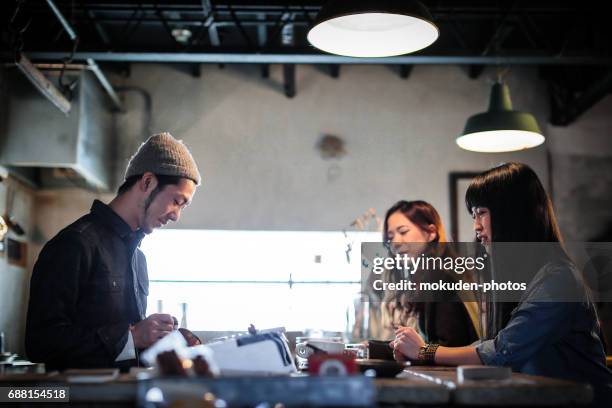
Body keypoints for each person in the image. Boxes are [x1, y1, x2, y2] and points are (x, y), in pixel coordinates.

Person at [391, 163, 612, 407]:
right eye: (473, 216)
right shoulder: (519, 277)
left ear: (513, 213)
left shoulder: (559, 279)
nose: (476, 227)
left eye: (481, 213)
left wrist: (424, 351)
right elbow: (491, 345)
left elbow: (502, 351)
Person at [26, 132, 201, 371]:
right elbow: (40, 342)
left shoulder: (139, 259)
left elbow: (125, 345)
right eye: (176, 201)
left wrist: (161, 340)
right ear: (148, 182)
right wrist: (132, 337)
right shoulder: (75, 243)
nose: (175, 215)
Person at [381, 200, 480, 346]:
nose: (395, 242)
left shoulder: (442, 277)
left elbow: (449, 347)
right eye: (390, 237)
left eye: (403, 232)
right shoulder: (431, 275)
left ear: (431, 233)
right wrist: (375, 347)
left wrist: (416, 352)